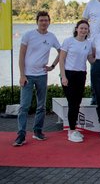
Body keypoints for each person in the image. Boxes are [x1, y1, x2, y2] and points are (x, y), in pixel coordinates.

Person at [13, 11, 60, 147]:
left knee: (41, 106)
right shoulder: (28, 35)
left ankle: (37, 131)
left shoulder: (51, 37)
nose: (44, 23)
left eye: (46, 20)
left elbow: (61, 51)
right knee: (24, 106)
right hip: (27, 75)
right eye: (41, 20)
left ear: (49, 22)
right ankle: (21, 135)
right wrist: (22, 75)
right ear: (37, 22)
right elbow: (21, 56)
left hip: (42, 75)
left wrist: (52, 66)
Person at [60, 20, 94, 143]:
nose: (83, 30)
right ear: (76, 29)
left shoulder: (88, 44)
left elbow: (91, 60)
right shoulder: (68, 41)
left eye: (86, 29)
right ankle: (71, 130)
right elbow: (61, 59)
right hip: (69, 74)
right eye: (81, 28)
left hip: (81, 75)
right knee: (72, 103)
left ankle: (73, 128)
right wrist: (63, 76)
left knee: (77, 102)